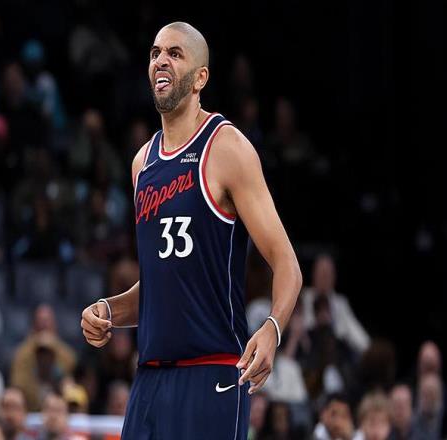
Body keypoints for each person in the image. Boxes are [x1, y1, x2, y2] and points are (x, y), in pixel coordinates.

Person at [80, 21, 302, 439]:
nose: (161, 60)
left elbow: (287, 263)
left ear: (201, 78)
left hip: (212, 372)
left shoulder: (227, 147)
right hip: (150, 377)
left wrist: (272, 329)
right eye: (155, 53)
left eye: (175, 53)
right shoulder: (142, 163)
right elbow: (162, 281)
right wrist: (109, 310)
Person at [302, 254, 370, 354]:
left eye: (327, 275)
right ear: (313, 275)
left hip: (335, 354)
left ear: (334, 277)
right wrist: (316, 324)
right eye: (321, 274)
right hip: (306, 353)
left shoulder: (340, 303)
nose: (324, 279)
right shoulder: (303, 298)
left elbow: (360, 338)